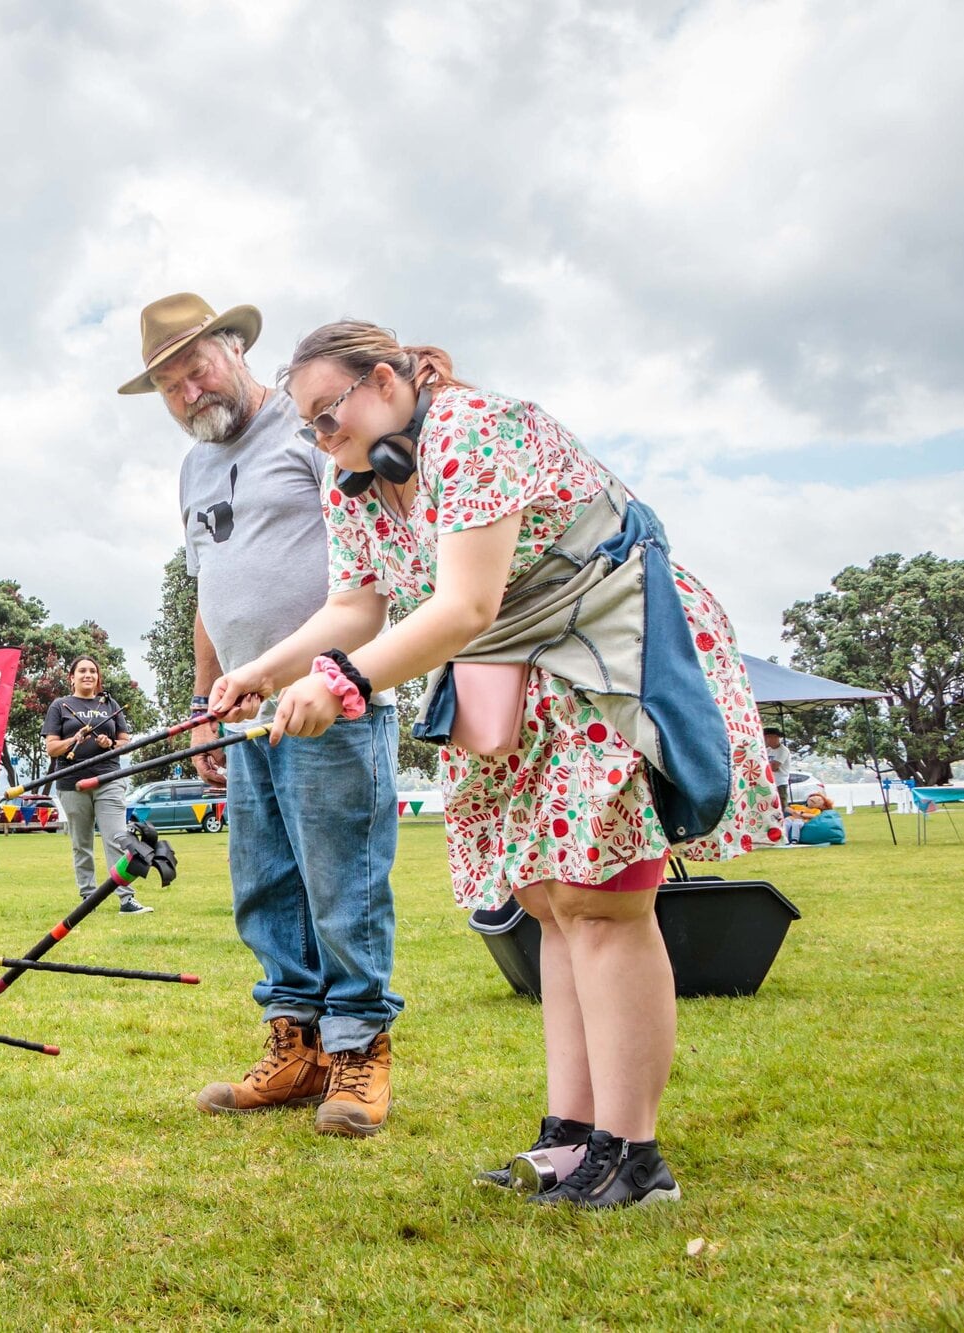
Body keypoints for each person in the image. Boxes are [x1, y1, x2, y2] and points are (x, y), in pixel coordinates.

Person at [211, 321, 783, 1208]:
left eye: (333, 414)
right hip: (516, 681)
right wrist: (262, 669)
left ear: (393, 378)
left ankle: (634, 1154)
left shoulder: (478, 429)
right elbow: (356, 605)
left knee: (603, 905)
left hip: (606, 660)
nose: (327, 440)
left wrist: (344, 685)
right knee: (551, 903)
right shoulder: (355, 484)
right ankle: (570, 1137)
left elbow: (467, 601)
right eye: (313, 428)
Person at [120, 293, 403, 1138]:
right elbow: (210, 594)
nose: (187, 390)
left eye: (195, 365)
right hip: (242, 713)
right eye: (168, 383)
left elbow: (372, 562)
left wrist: (331, 671)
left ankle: (359, 1050)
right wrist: (206, 702)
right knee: (265, 885)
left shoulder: (311, 430)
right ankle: (298, 1044)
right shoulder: (194, 469)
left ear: (235, 350)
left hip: (334, 696)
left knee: (340, 882)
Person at [43, 654, 150, 914]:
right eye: (82, 671)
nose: (88, 675)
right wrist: (74, 739)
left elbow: (125, 742)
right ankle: (88, 899)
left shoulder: (109, 704)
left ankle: (126, 898)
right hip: (72, 782)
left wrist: (110, 744)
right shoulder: (60, 705)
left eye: (93, 671)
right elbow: (51, 749)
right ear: (72, 677)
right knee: (82, 843)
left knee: (116, 838)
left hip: (108, 779)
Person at [764, 727, 793, 809]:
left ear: (775, 737)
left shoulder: (783, 750)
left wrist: (765, 764)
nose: (765, 739)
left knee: (781, 806)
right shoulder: (768, 750)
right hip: (769, 782)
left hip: (780, 783)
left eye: (767, 737)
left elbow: (774, 767)